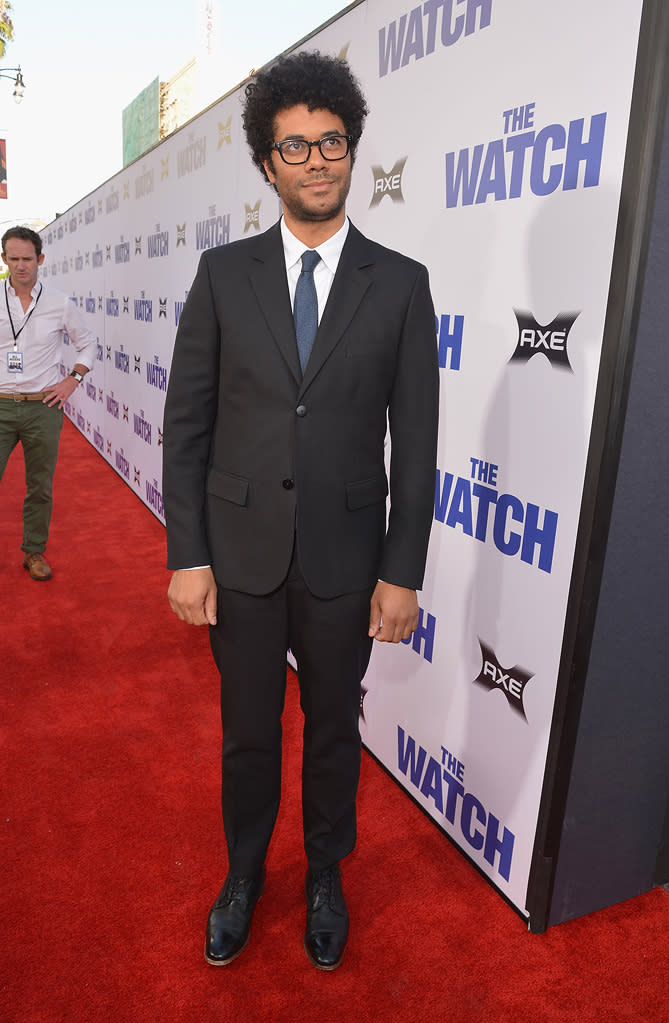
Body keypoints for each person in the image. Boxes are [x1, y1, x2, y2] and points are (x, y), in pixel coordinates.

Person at [163, 51, 439, 971]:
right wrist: (187, 553)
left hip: (346, 557)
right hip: (236, 555)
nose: (317, 160)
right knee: (248, 734)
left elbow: (418, 442)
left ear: (351, 149)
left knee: (332, 730)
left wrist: (402, 570)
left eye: (332, 142)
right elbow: (187, 427)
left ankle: (327, 873)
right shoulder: (220, 274)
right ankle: (244, 875)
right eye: (295, 147)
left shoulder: (400, 284)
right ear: (267, 163)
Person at [0, 226, 97, 580]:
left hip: (43, 408)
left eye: (28, 259)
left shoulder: (59, 304)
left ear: (40, 259)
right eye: (14, 259)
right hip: (0, 406)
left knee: (39, 486)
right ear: (4, 259)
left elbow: (88, 344)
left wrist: (73, 380)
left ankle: (34, 552)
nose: (22, 266)